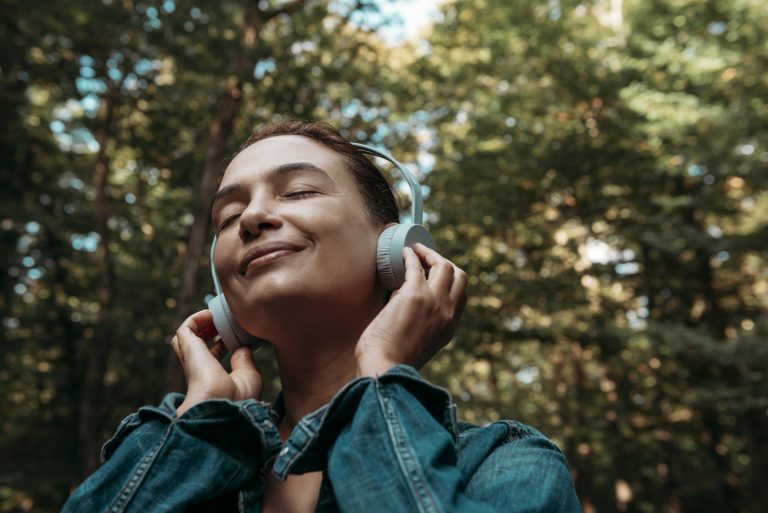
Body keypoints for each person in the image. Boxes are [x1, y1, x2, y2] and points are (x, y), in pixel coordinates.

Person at [62, 120, 581, 512]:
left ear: (397, 249)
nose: (252, 218)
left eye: (301, 191)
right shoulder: (177, 450)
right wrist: (200, 423)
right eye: (228, 216)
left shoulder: (507, 462)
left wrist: (382, 375)